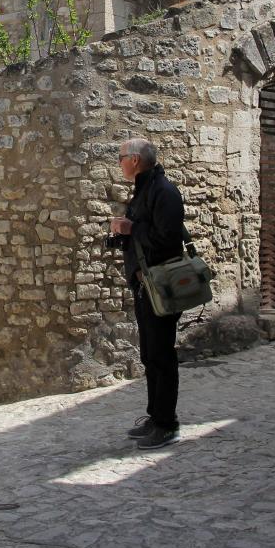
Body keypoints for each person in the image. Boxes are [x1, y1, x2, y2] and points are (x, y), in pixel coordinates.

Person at [106, 137, 185, 449]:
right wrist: (120, 236)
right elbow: (143, 233)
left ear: (135, 160)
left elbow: (166, 238)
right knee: (150, 354)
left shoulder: (163, 191)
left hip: (161, 286)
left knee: (162, 355)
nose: (119, 163)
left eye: (121, 156)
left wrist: (129, 229)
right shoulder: (144, 190)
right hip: (145, 285)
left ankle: (168, 425)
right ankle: (156, 417)